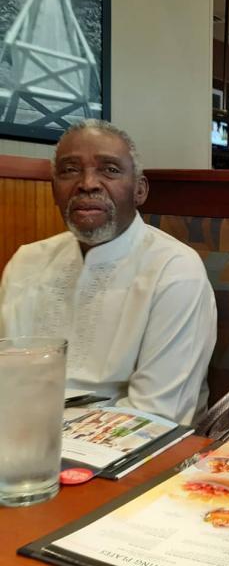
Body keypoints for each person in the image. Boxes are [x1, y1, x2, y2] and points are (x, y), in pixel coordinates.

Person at [0, 119, 217, 425]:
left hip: (131, 452)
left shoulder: (175, 271)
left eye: (110, 169)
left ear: (139, 190)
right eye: (70, 170)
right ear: (53, 188)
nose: (87, 183)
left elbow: (156, 416)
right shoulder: (27, 261)